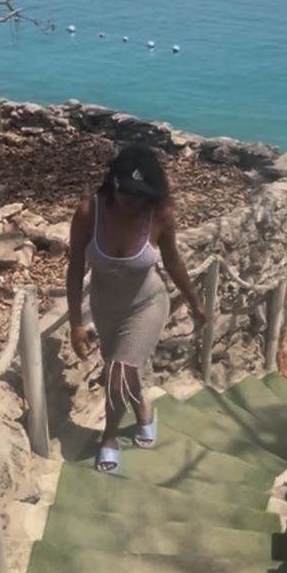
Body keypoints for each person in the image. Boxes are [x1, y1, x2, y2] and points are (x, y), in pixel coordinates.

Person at [66, 144, 205, 473]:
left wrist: (195, 302)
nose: (133, 199)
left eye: (141, 193)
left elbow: (173, 262)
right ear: (113, 181)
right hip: (105, 307)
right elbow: (75, 268)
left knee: (116, 376)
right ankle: (142, 409)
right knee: (122, 372)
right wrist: (75, 323)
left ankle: (109, 439)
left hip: (147, 305)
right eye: (127, 190)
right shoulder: (89, 212)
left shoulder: (159, 215)